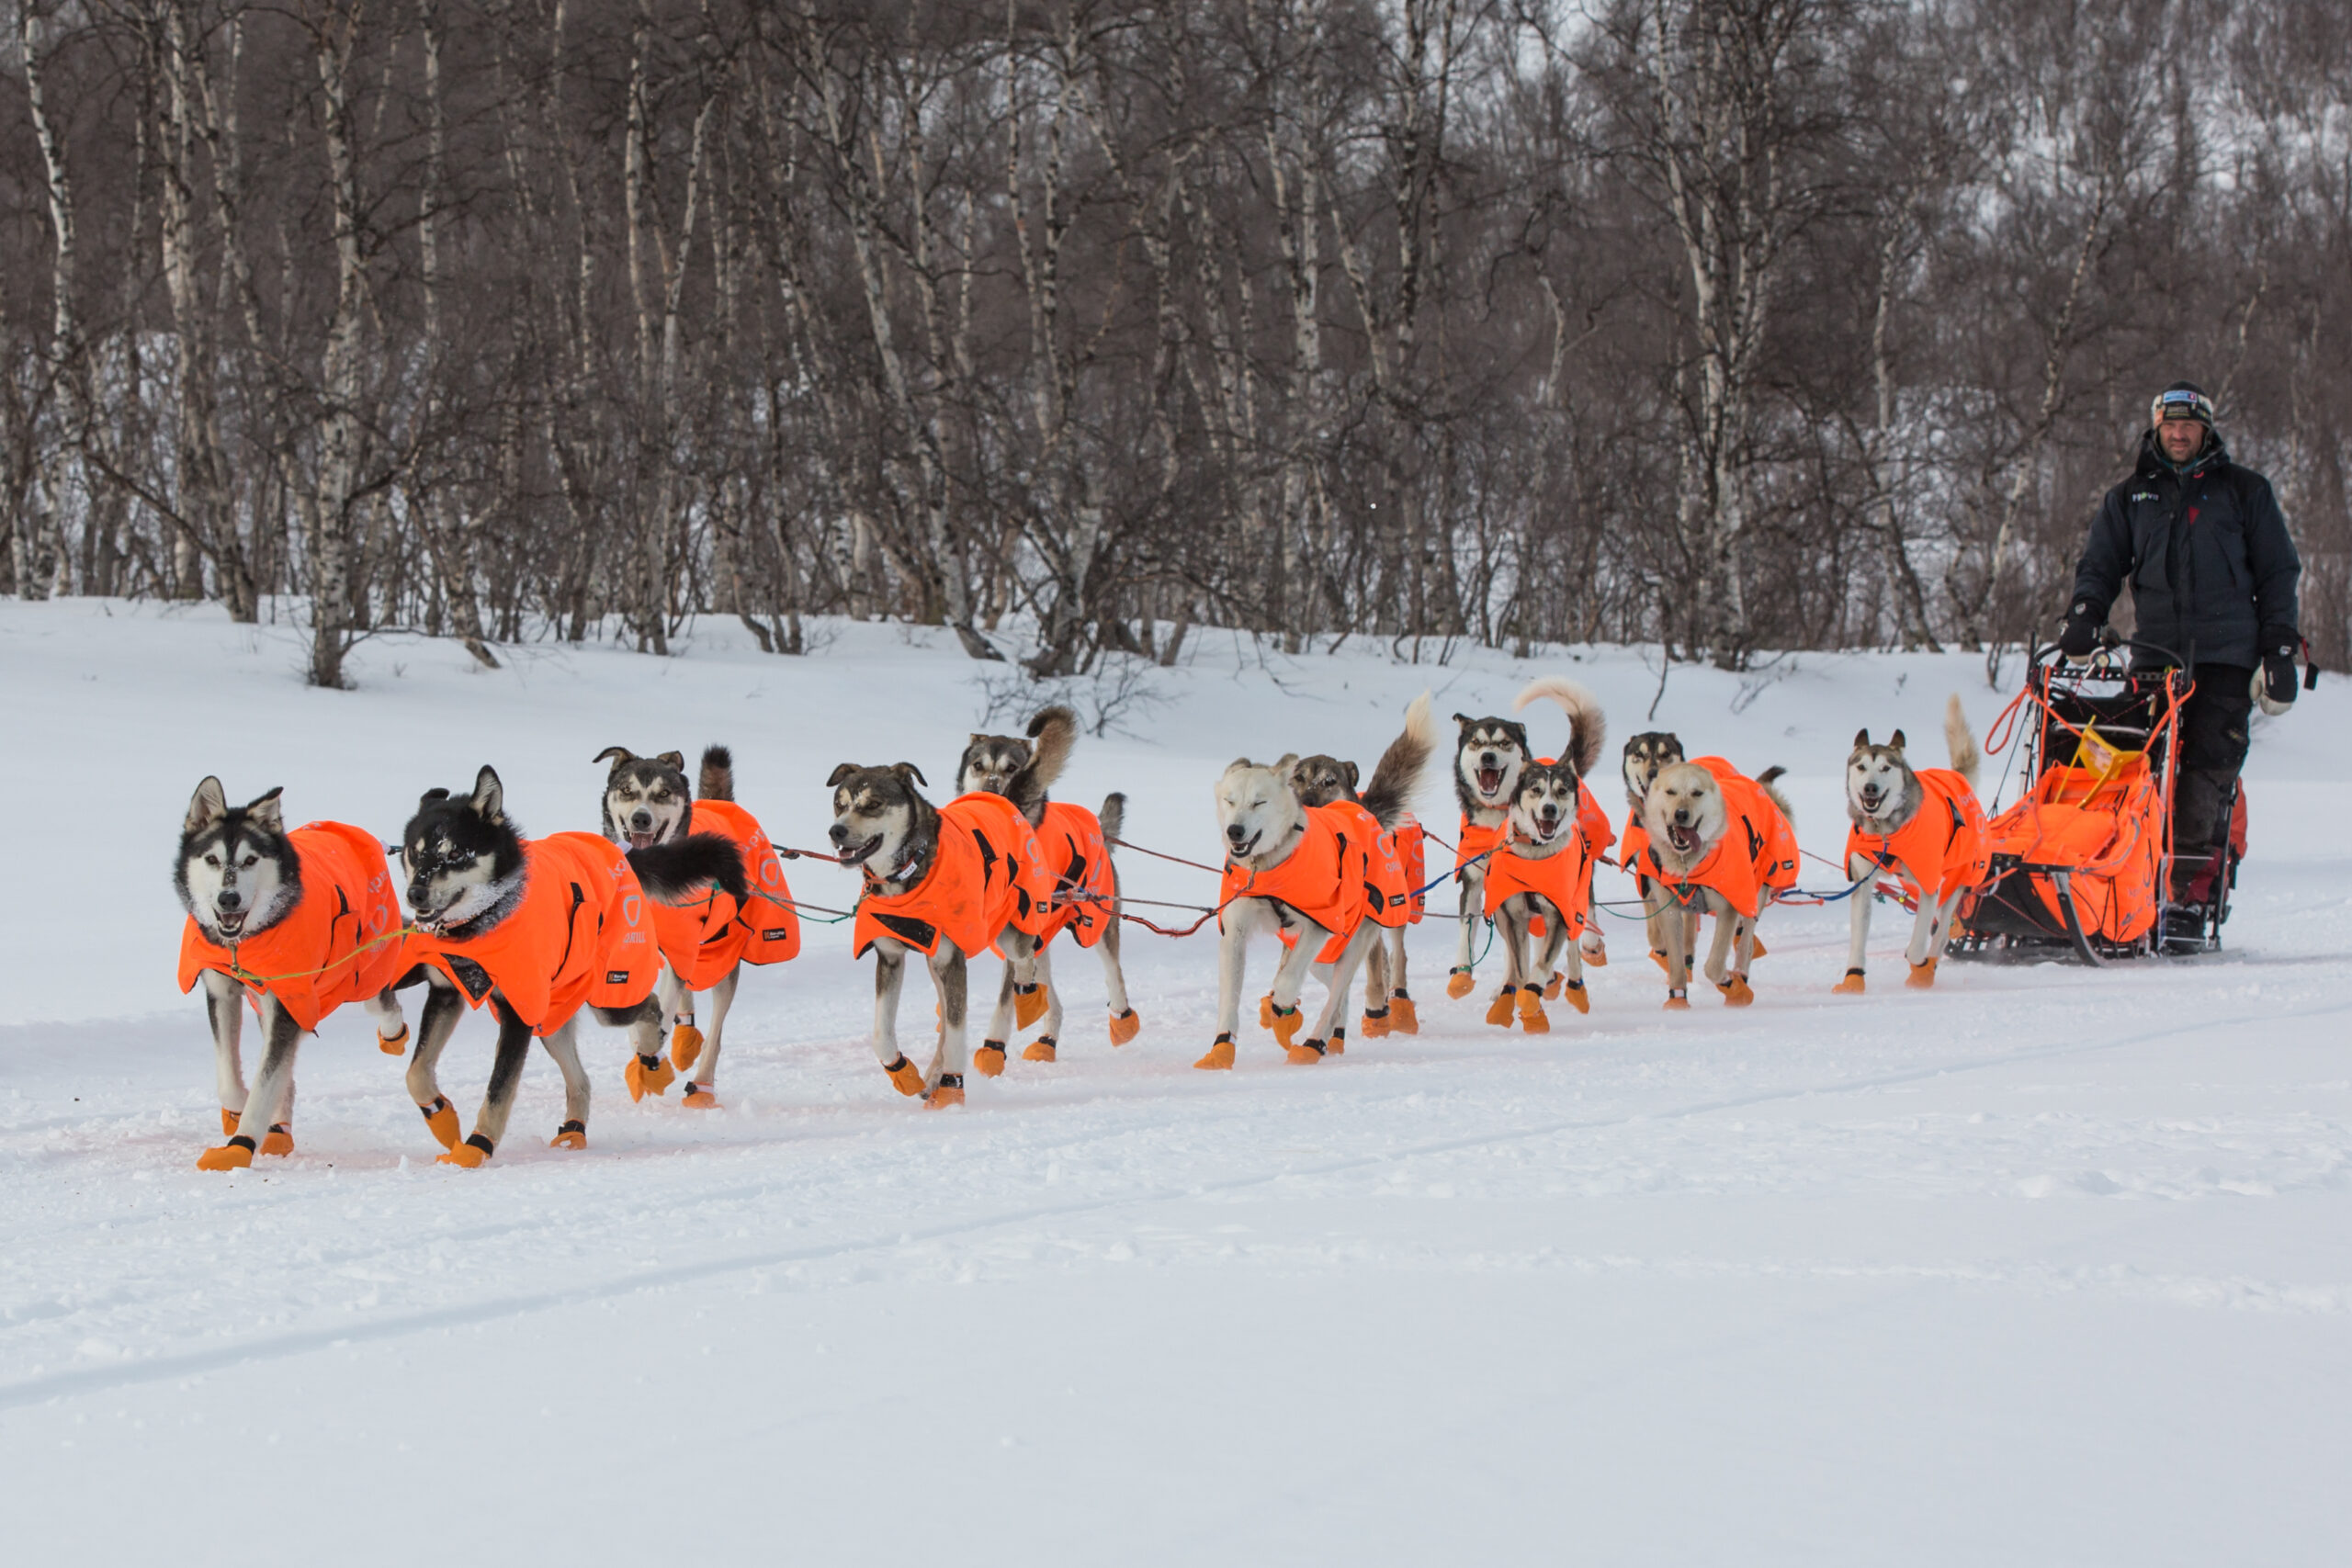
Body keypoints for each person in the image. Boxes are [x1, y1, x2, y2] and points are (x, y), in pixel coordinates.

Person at [2059, 381, 2301, 884]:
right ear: (2156, 429)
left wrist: (2279, 650)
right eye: (2170, 425)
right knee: (2129, 765)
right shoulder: (2130, 496)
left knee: (2205, 770)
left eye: (2189, 424)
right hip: (2154, 655)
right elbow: (2100, 565)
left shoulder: (2245, 490)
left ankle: (2186, 887)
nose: (2179, 434)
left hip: (2226, 656)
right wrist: (2084, 615)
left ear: (2206, 430)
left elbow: (2278, 572)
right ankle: (2117, 879)